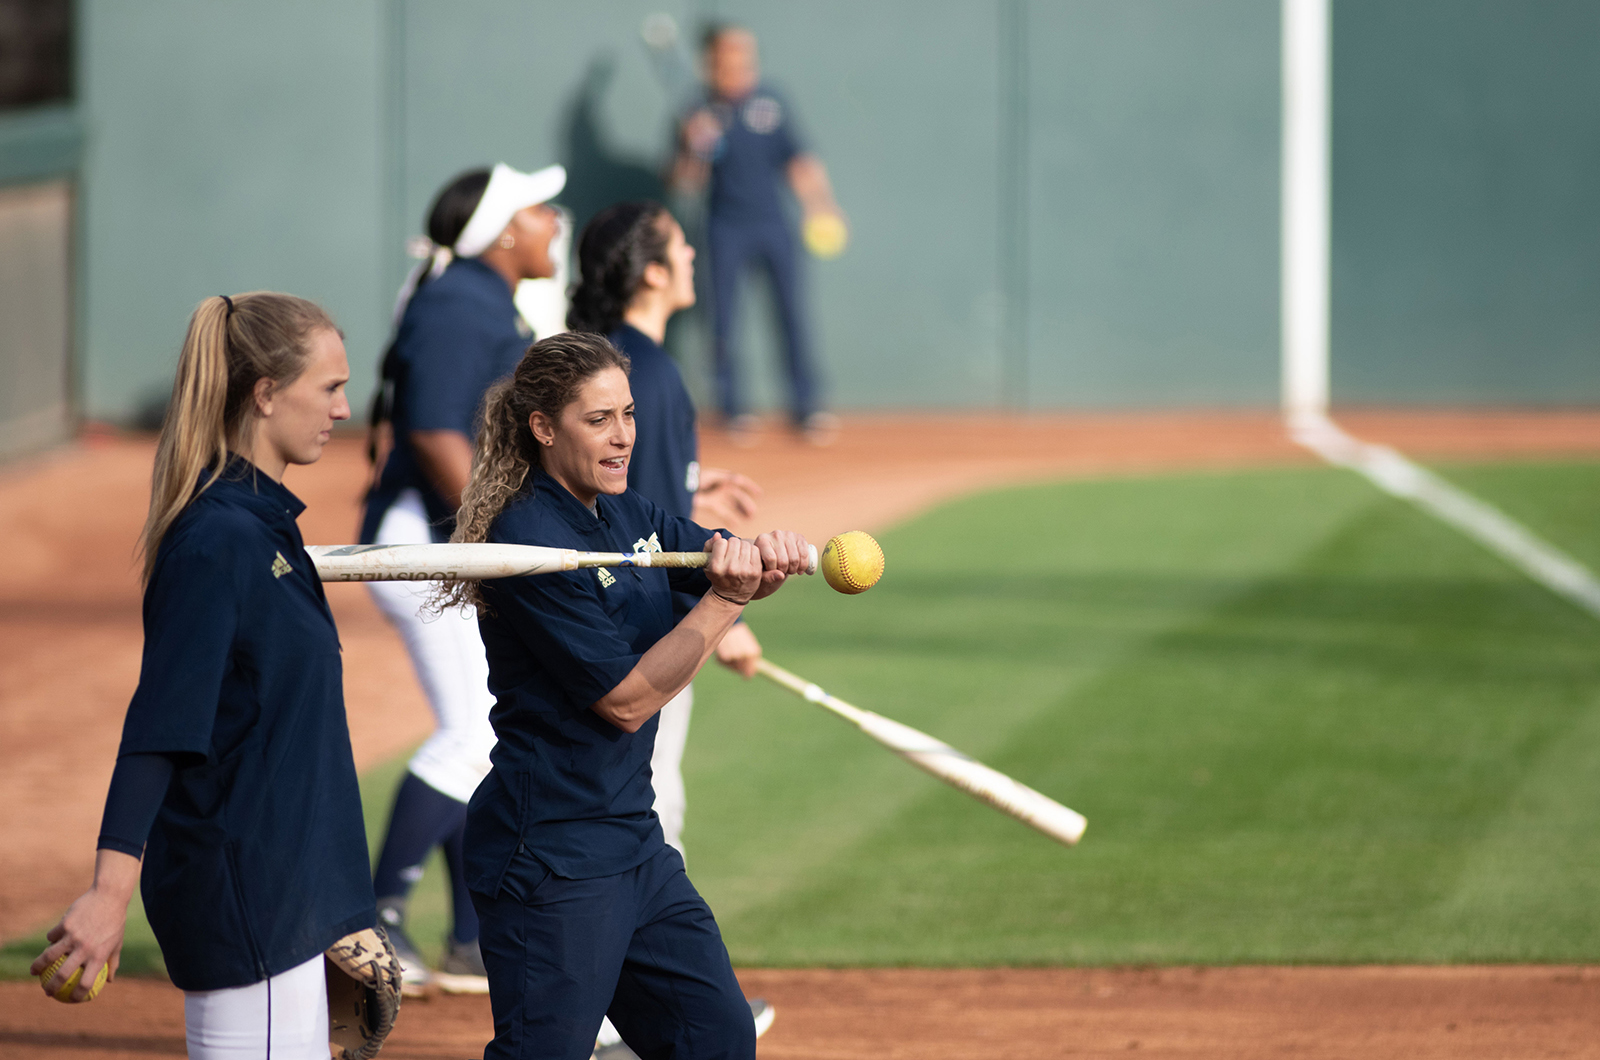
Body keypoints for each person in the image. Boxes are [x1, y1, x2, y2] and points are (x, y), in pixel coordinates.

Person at [442, 331, 810, 1059]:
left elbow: (710, 563)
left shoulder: (628, 514)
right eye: (599, 419)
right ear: (544, 428)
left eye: (630, 416)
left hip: (629, 840)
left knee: (714, 1036)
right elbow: (627, 699)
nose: (622, 438)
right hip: (549, 852)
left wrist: (758, 564)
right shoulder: (530, 538)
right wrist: (725, 602)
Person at [31, 293, 372, 1057]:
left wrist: (342, 906)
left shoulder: (264, 529)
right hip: (249, 901)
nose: (345, 409)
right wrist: (108, 893)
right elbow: (162, 725)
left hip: (287, 897)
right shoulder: (217, 542)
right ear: (265, 394)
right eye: (329, 388)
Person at [361, 161, 566, 994]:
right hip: (426, 542)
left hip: (452, 541)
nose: (554, 219)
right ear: (504, 230)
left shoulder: (484, 300)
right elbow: (435, 435)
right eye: (538, 208)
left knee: (487, 725)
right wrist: (494, 540)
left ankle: (472, 937)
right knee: (477, 729)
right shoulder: (456, 303)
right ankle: (375, 916)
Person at [567, 200, 766, 860]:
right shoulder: (646, 374)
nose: (691, 258)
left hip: (617, 621)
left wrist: (692, 485)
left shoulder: (624, 364)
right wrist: (722, 616)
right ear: (651, 273)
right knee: (652, 810)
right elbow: (637, 529)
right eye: (680, 247)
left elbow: (628, 494)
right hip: (642, 632)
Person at [671, 23, 844, 444]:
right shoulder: (697, 111)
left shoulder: (772, 103)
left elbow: (799, 161)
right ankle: (733, 407)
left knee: (792, 315)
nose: (737, 61)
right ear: (711, 61)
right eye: (728, 54)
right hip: (725, 227)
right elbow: (683, 183)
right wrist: (695, 145)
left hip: (774, 225)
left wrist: (821, 204)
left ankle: (806, 407)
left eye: (743, 52)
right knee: (724, 321)